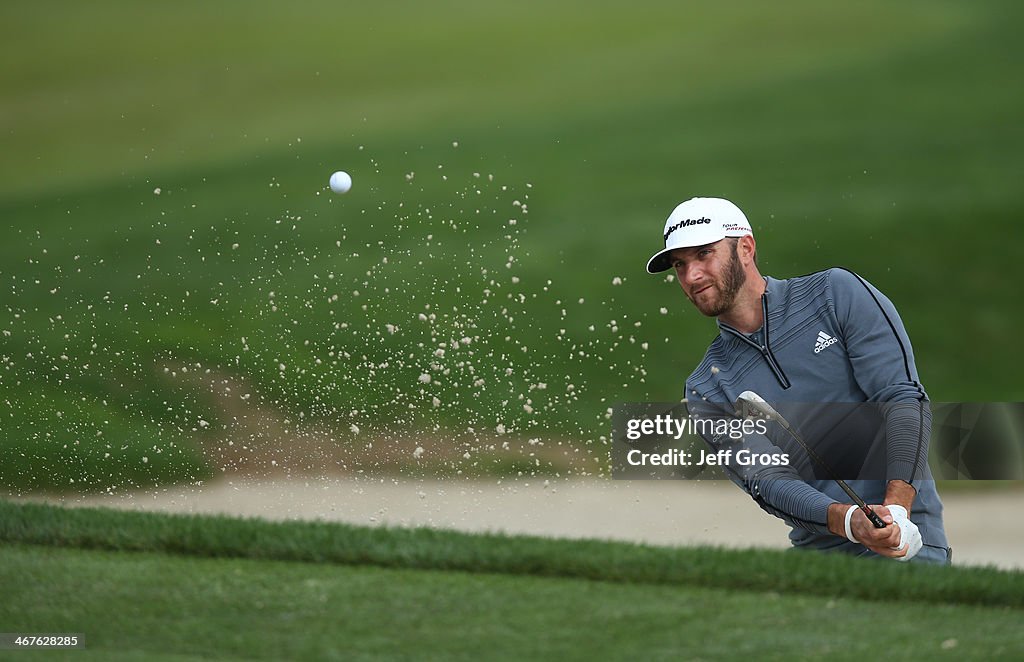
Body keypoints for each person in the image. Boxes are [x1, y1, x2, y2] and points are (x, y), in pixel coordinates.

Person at [645, 197, 951, 563]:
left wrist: (897, 509)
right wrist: (851, 521)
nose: (691, 276)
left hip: (910, 540)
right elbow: (768, 480)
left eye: (704, 254)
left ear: (745, 248)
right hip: (822, 562)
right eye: (680, 265)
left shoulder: (835, 295)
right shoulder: (708, 386)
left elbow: (902, 398)